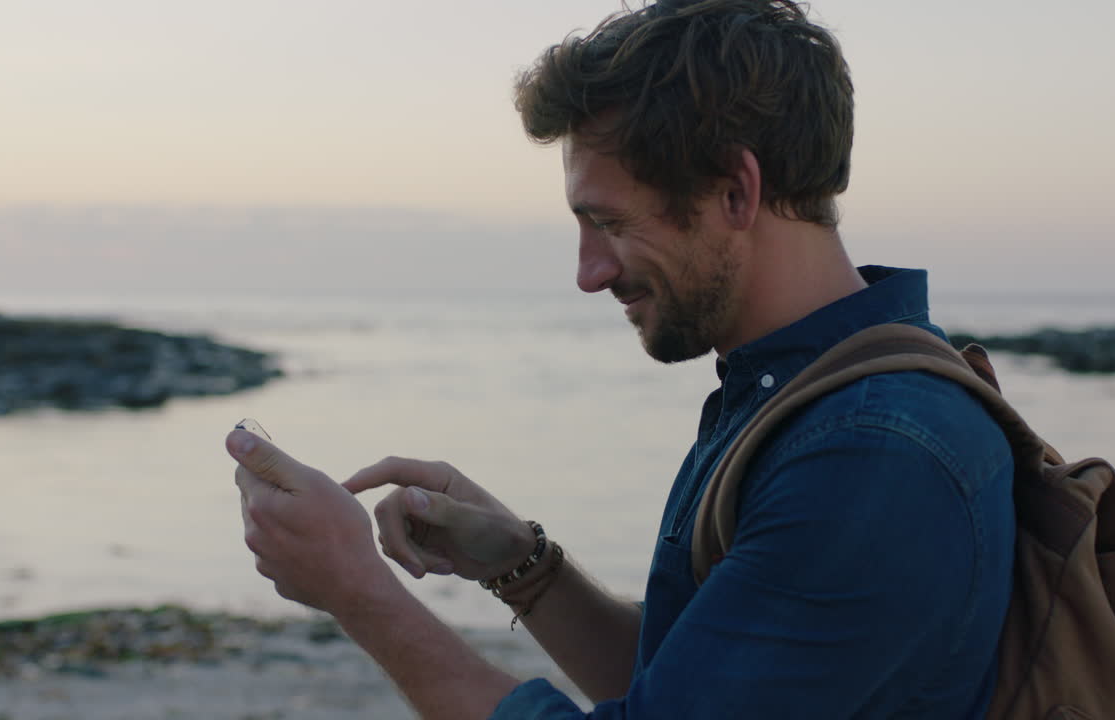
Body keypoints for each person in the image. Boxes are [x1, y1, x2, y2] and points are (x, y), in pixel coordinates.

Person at [226, 1, 1016, 717]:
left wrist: (358, 590)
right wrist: (524, 564)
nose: (588, 273)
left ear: (735, 192)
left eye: (607, 223)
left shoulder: (868, 451)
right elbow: (682, 689)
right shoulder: (796, 399)